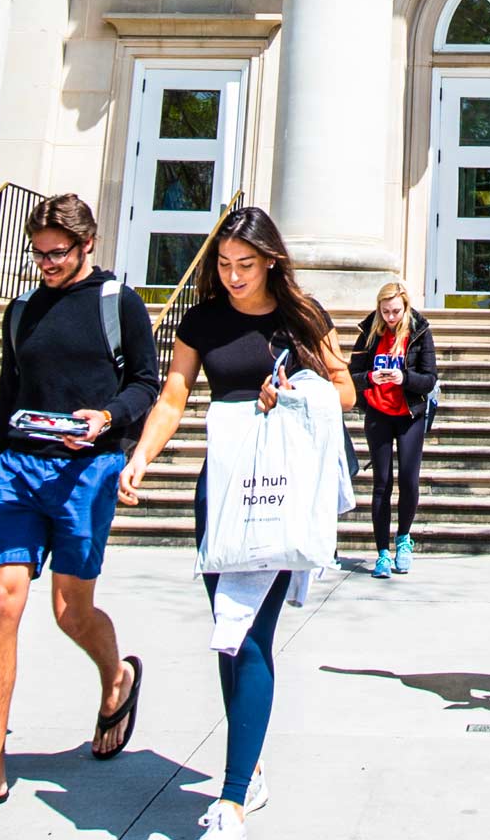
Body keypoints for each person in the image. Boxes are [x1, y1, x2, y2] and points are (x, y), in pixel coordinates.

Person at [119, 207, 356, 836]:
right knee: (229, 631)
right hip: (222, 489)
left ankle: (230, 797)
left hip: (283, 488)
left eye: (245, 265)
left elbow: (346, 392)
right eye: (223, 265)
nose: (233, 276)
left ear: (271, 260)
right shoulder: (202, 320)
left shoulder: (302, 316)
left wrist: (294, 387)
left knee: (251, 633)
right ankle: (247, 768)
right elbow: (174, 395)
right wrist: (141, 455)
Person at [0, 193, 160, 827]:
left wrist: (108, 418)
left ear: (87, 246)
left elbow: (148, 382)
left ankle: (117, 677)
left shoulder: (119, 304)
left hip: (87, 470)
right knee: (3, 598)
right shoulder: (23, 310)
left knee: (69, 610)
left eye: (57, 254)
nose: (45, 265)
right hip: (19, 470)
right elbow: (10, 395)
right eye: (37, 254)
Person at [346, 282, 437, 576]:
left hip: (409, 415)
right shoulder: (370, 333)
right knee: (381, 484)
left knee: (409, 480)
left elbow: (429, 379)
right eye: (385, 311)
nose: (390, 317)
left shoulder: (419, 332)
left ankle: (403, 539)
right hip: (378, 414)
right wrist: (372, 377)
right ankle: (382, 553)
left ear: (406, 307)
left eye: (396, 311)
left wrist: (403, 377)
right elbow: (353, 375)